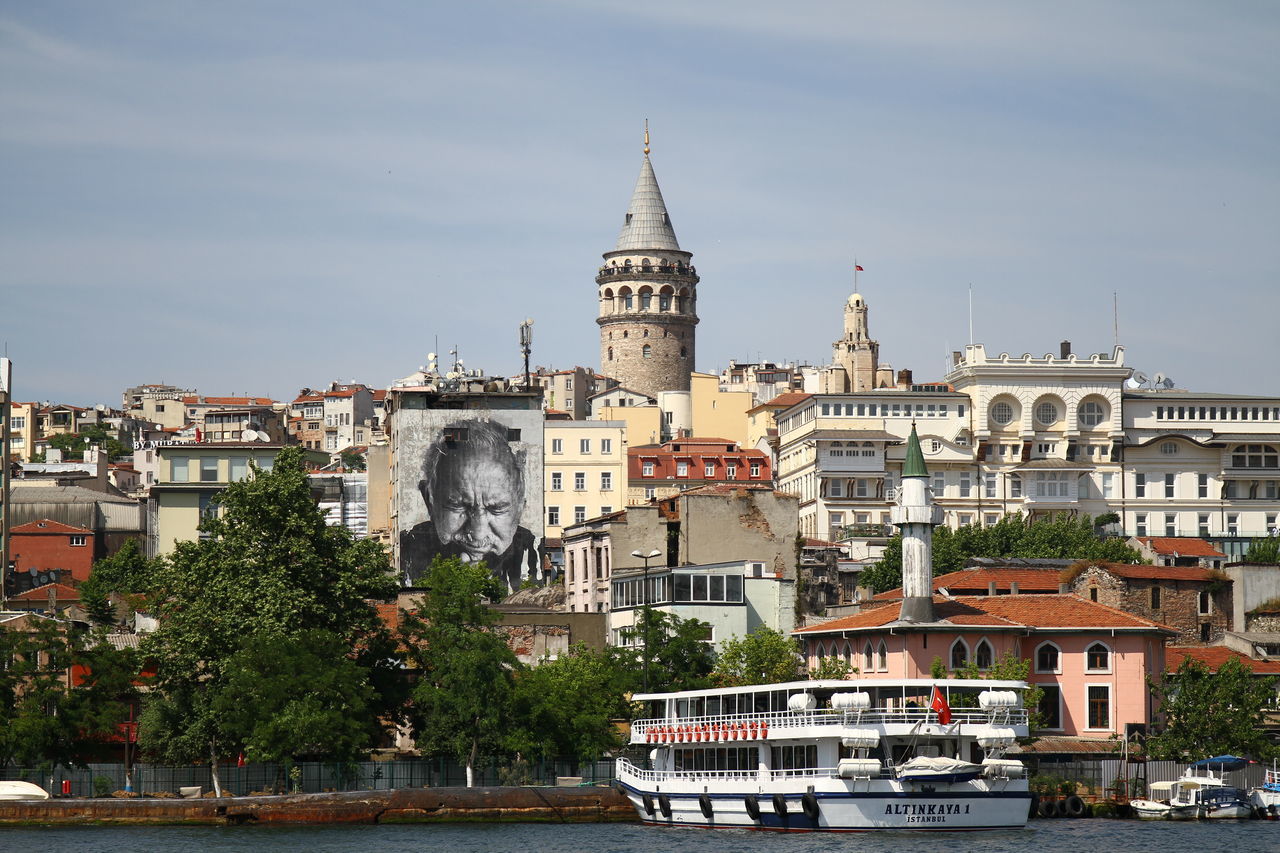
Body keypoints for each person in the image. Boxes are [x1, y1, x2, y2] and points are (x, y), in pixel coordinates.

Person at [400, 418, 541, 592]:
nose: (477, 533)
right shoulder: (406, 551)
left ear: (520, 507)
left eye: (496, 508)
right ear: (429, 499)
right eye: (458, 506)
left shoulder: (534, 553)